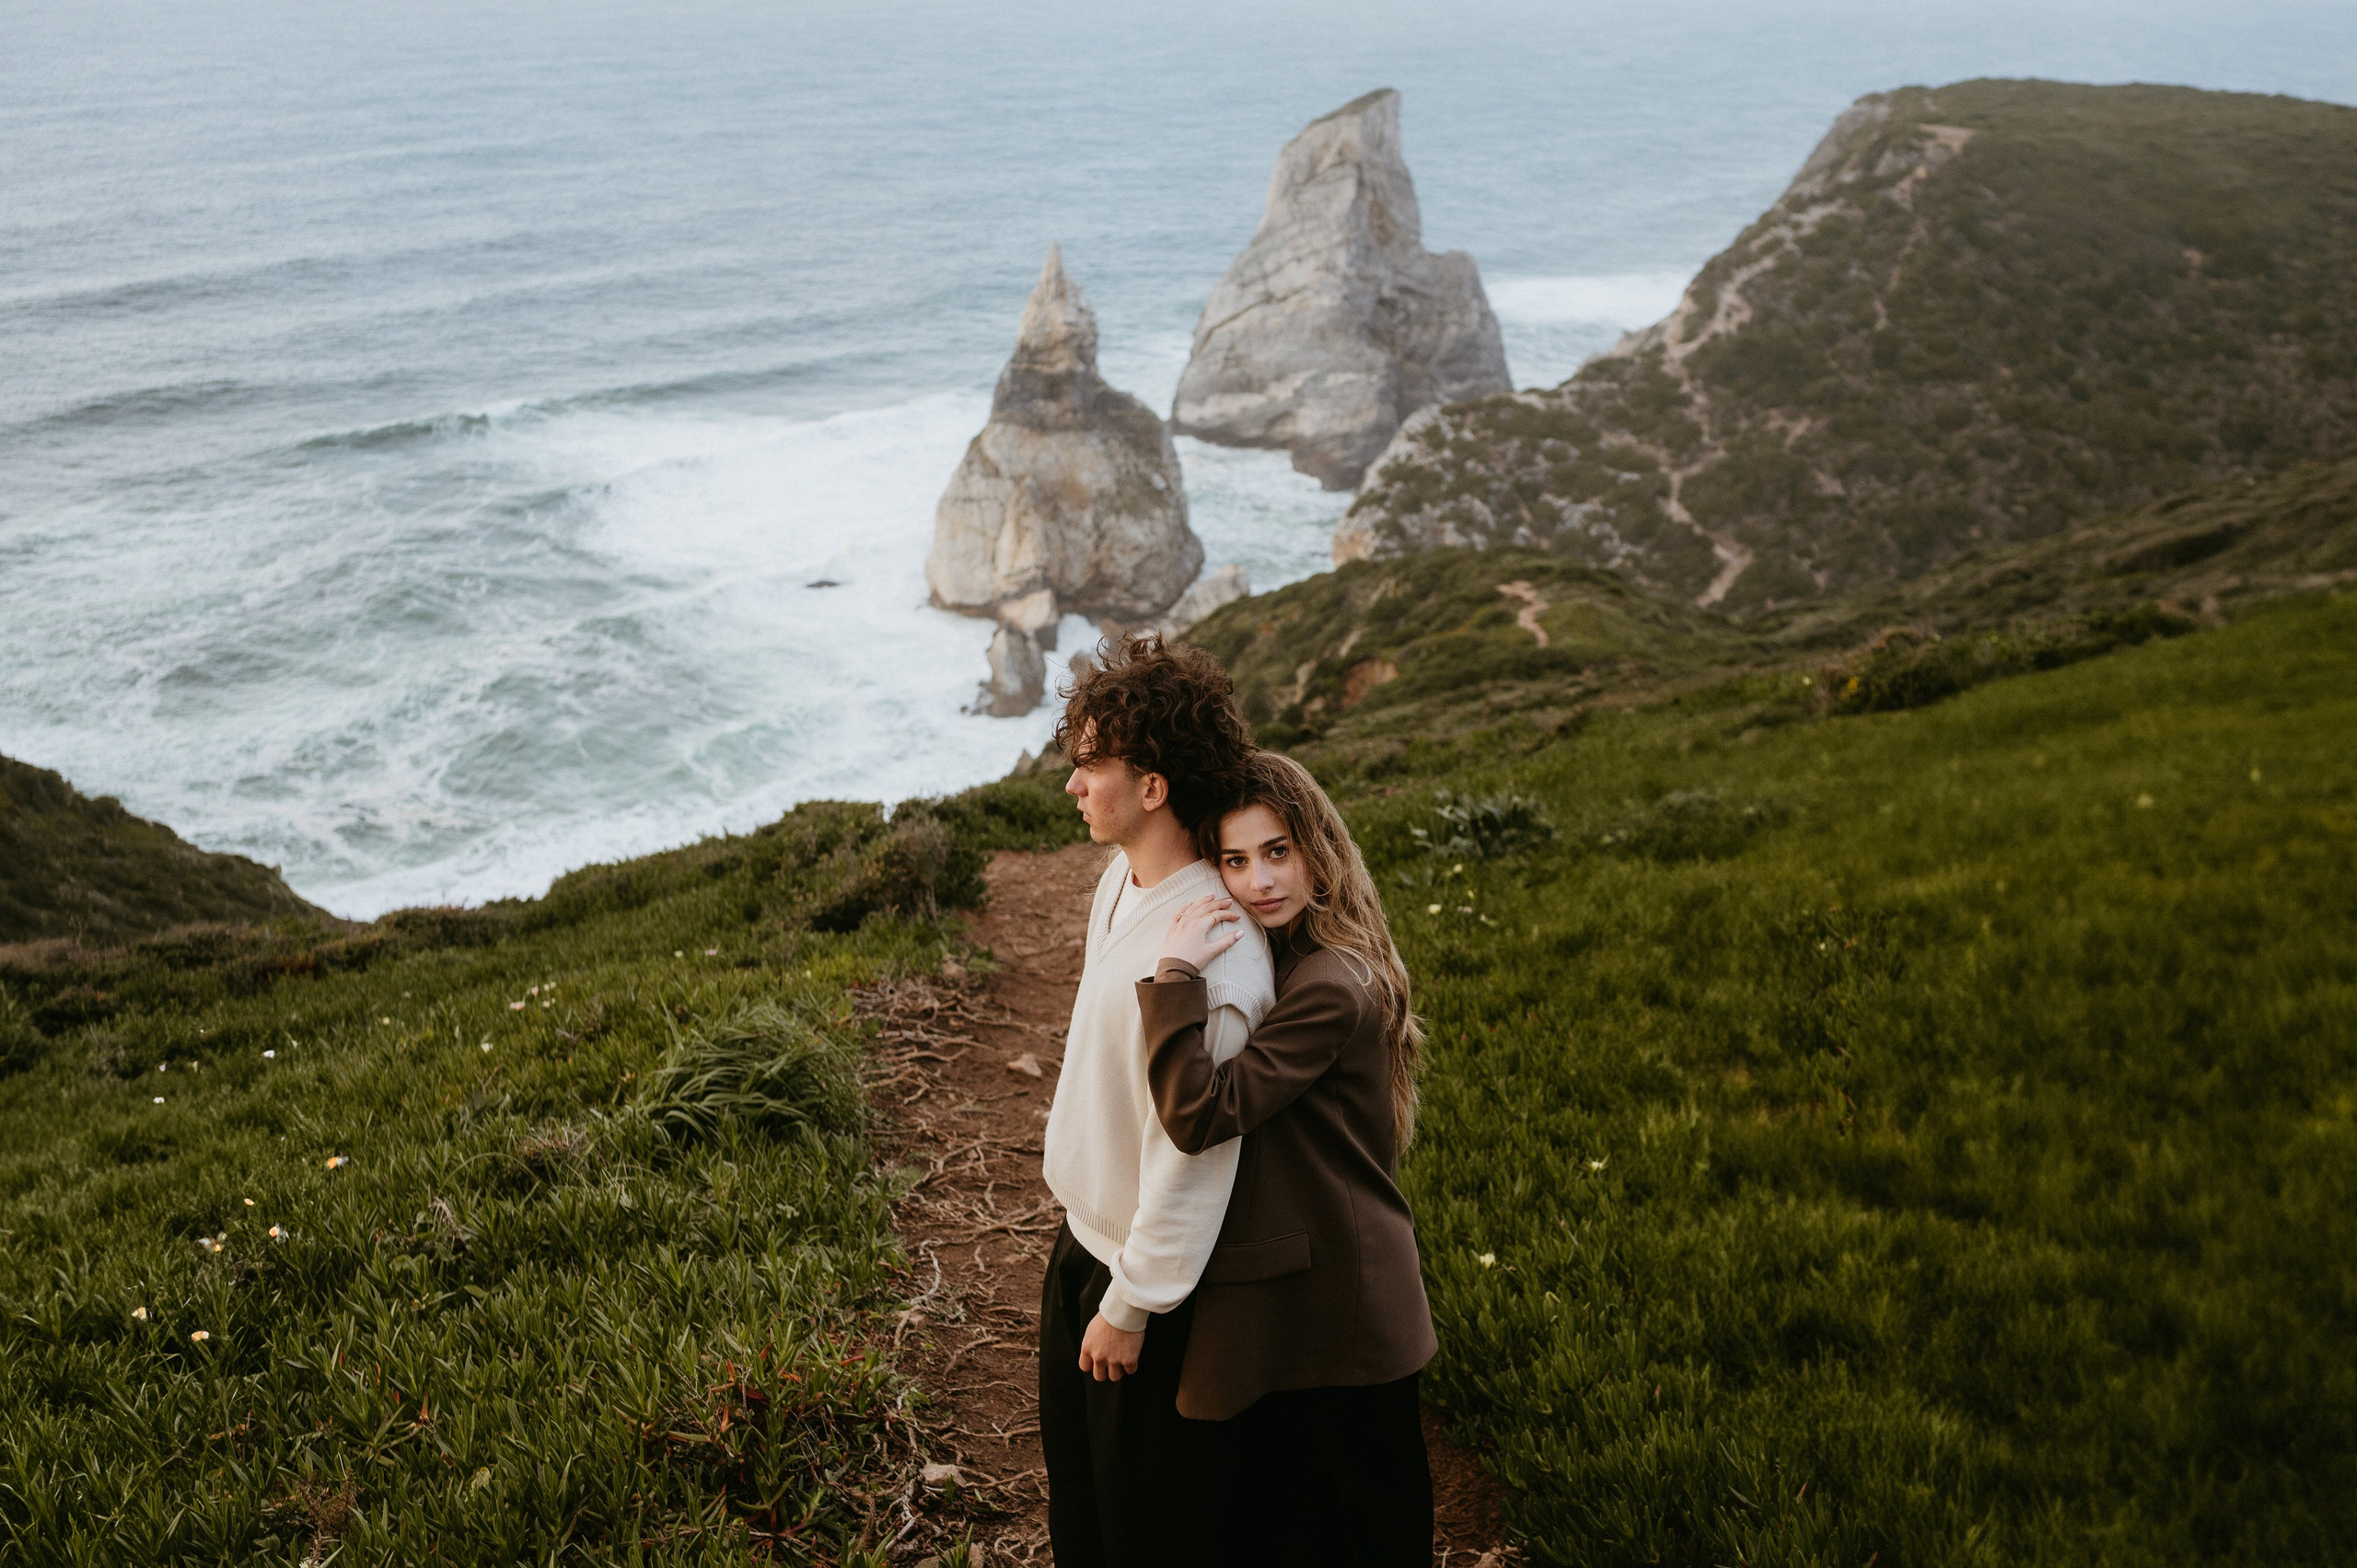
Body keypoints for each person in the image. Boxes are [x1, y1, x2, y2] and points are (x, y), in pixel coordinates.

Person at [1140, 749, 1438, 1568]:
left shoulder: (1327, 984)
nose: (1257, 880)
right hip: (1334, 1280)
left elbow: (1201, 1114)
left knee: (1363, 1529)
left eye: (1277, 851)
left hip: (1342, 1302)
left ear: (1317, 848)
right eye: (1234, 860)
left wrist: (1171, 977)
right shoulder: (1310, 953)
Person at [1037, 633, 1276, 1568]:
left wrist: (1130, 1304)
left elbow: (1197, 1151)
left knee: (1145, 1530)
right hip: (1080, 1245)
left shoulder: (1214, 955)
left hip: (1141, 1283)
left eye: (1091, 764)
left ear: (1154, 785)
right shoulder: (1121, 880)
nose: (1073, 784)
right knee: (1082, 1512)